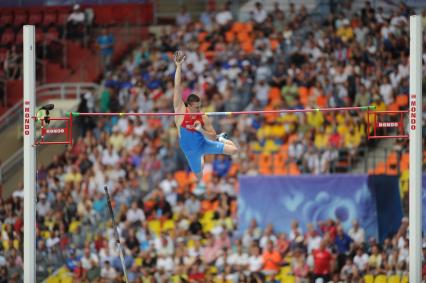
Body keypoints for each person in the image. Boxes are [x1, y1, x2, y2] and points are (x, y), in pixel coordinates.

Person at [173, 50, 238, 180]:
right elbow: (177, 86)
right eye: (196, 108)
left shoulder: (203, 117)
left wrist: (201, 130)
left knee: (234, 150)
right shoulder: (180, 110)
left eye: (200, 107)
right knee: (199, 176)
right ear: (189, 106)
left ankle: (222, 138)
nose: (199, 110)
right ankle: (201, 157)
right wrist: (179, 67)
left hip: (204, 143)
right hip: (190, 152)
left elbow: (212, 136)